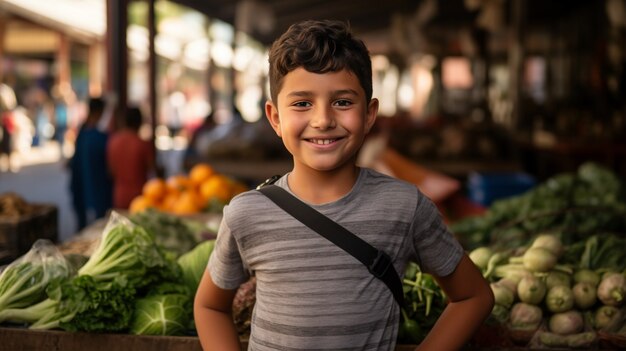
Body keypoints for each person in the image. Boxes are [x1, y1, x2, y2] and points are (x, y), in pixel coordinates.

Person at [194, 20, 494, 351]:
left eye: (343, 102)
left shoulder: (405, 206)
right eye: (302, 103)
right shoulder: (246, 213)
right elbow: (209, 306)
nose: (323, 120)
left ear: (369, 114)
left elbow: (473, 296)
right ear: (275, 117)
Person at [68, 97, 113, 231]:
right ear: (99, 112)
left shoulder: (83, 132)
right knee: (96, 227)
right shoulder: (99, 137)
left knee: (86, 226)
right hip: (94, 187)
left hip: (82, 185)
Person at [106, 106, 155, 209]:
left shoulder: (113, 142)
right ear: (139, 122)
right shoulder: (142, 144)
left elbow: (111, 171)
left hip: (119, 195)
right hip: (140, 197)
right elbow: (152, 169)